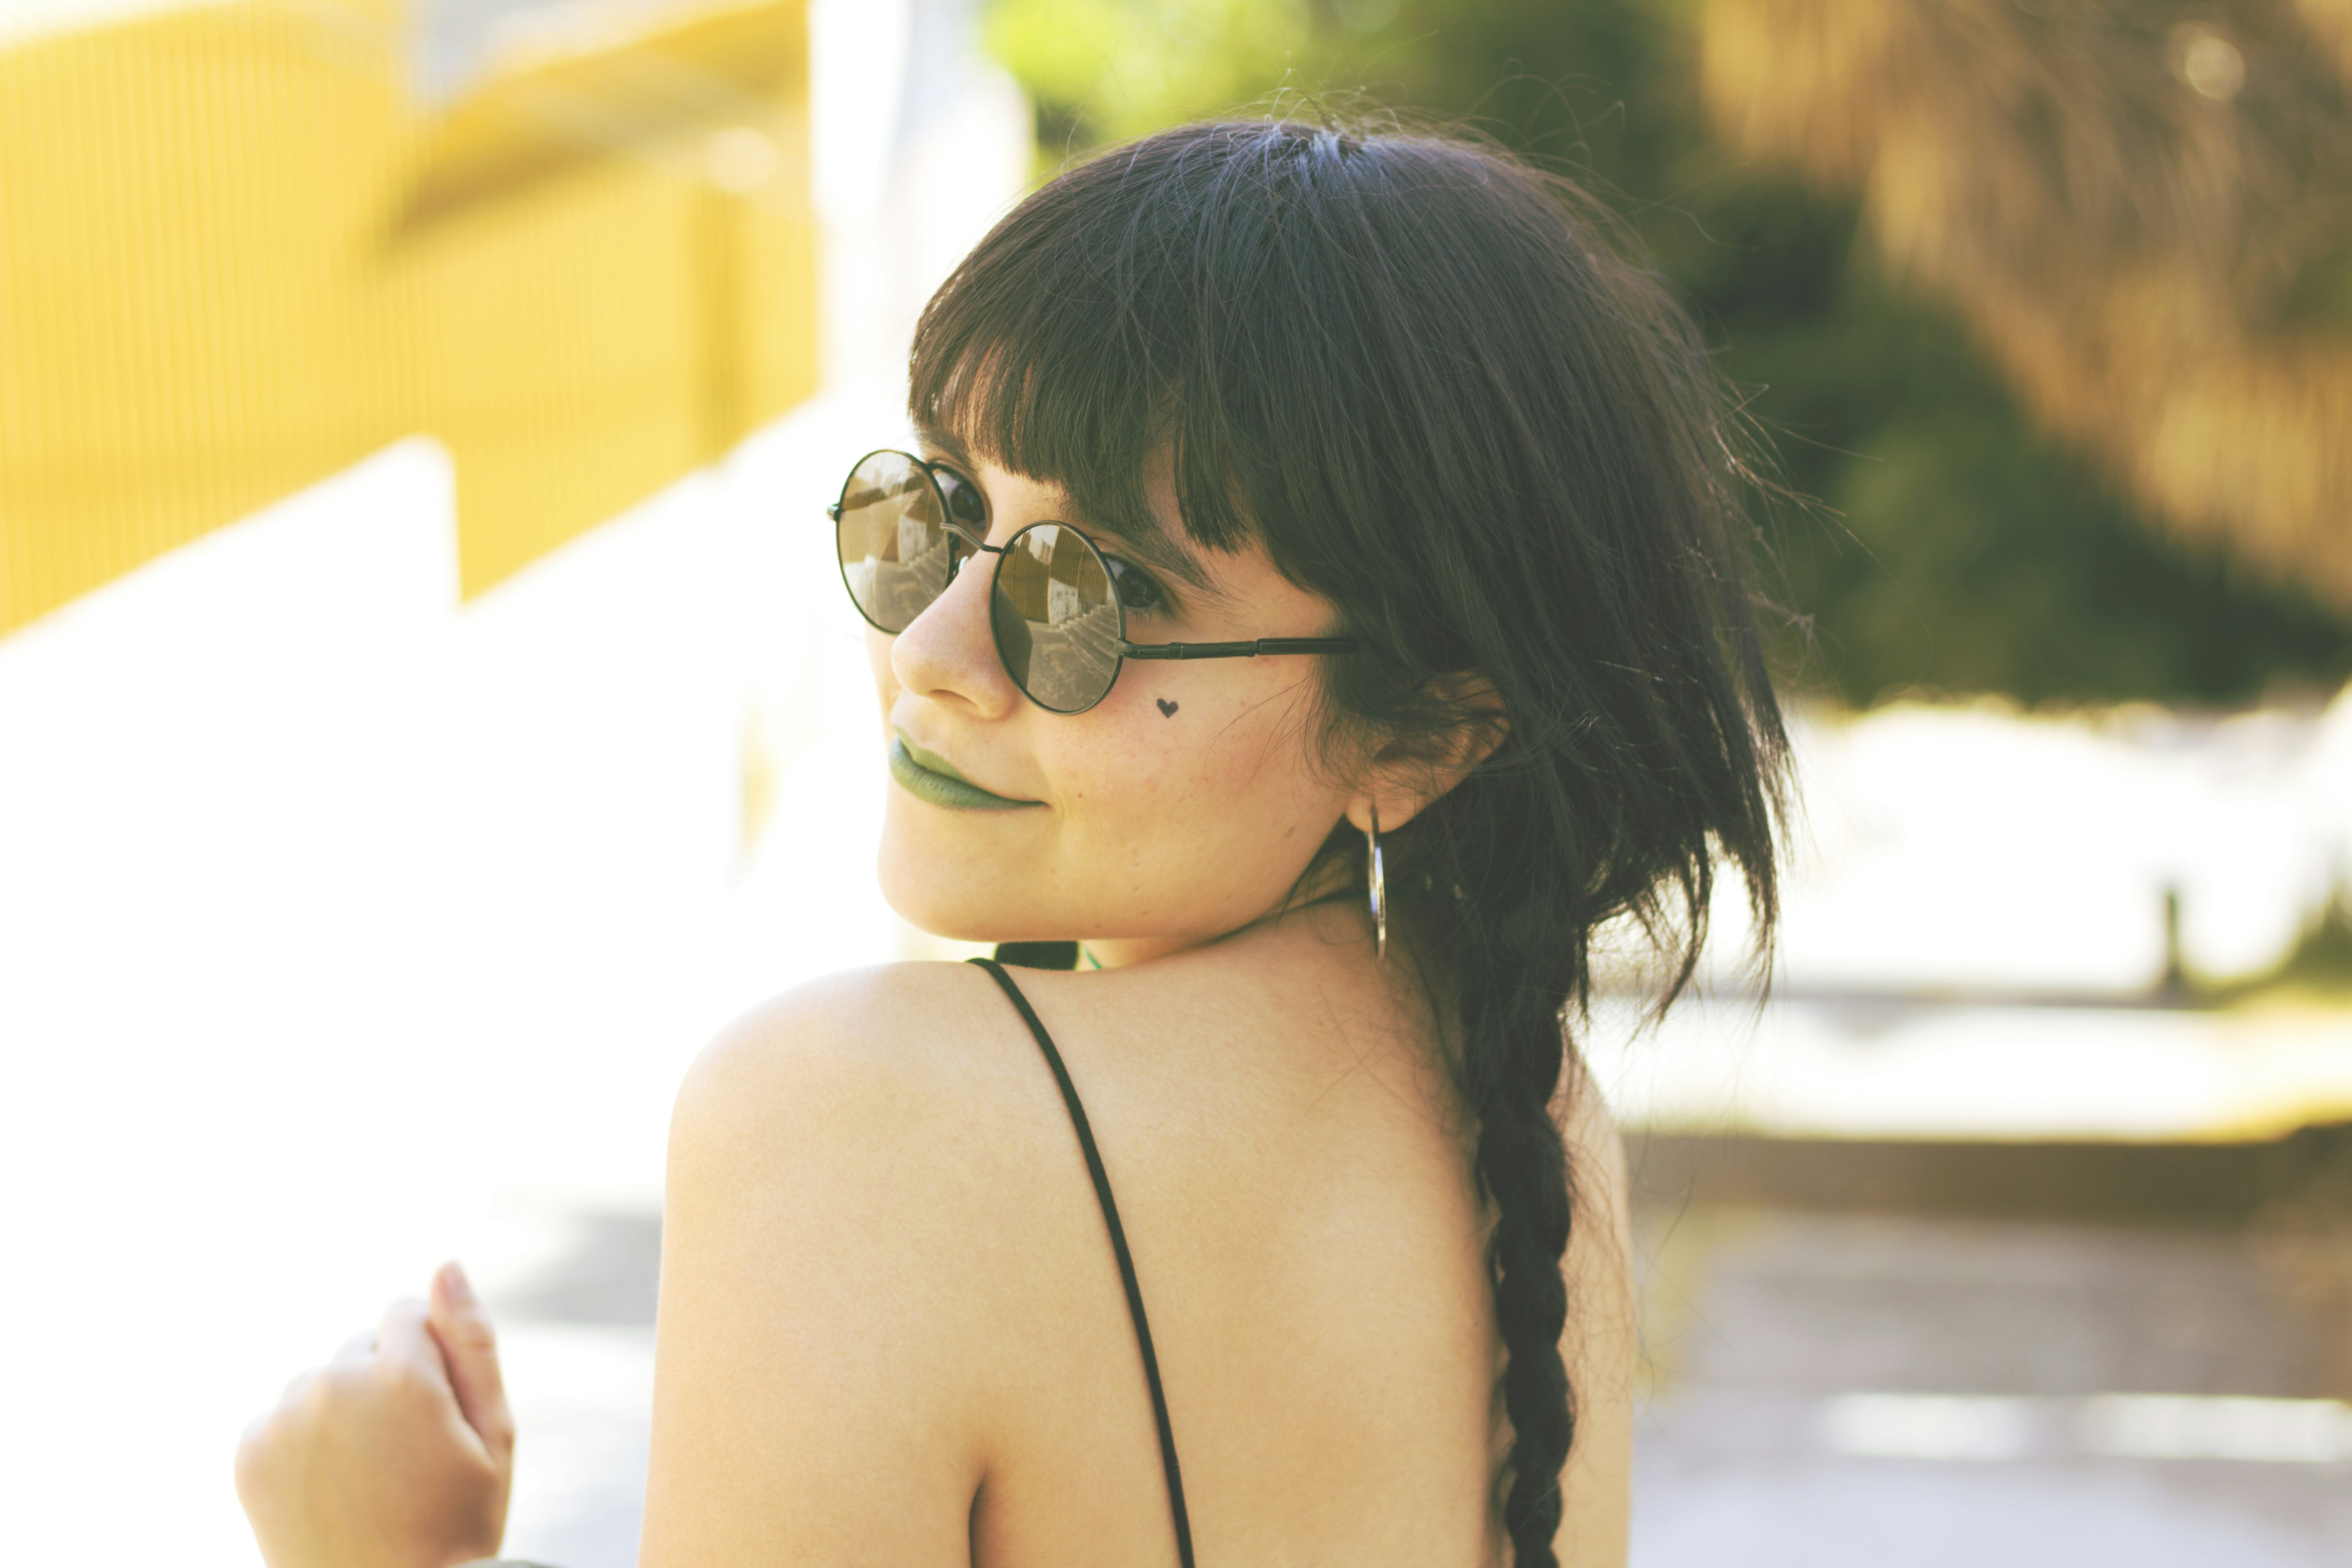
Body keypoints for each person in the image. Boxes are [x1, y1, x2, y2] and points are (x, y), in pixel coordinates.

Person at [235, 115, 1787, 1568]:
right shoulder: (1514, 1096)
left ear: (1424, 735)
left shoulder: (857, 1123)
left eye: (1094, 595)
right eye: (942, 506)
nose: (933, 647)